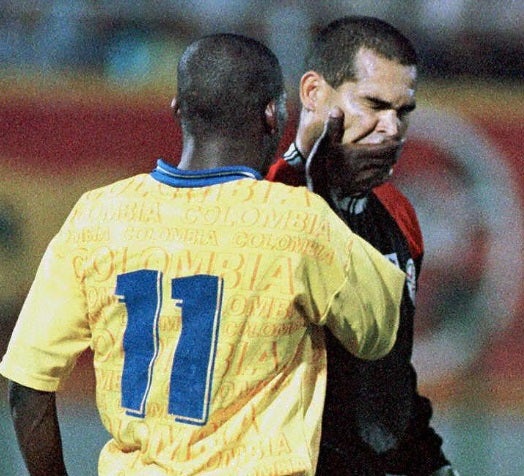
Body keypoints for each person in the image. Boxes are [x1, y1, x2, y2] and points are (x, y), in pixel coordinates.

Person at [0, 33, 406, 476]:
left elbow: (27, 386)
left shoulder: (97, 216)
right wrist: (334, 190)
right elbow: (377, 332)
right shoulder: (301, 222)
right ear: (273, 115)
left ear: (178, 109)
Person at [266, 16, 460, 476]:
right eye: (374, 104)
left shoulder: (398, 213)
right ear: (314, 93)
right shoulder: (264, 204)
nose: (391, 128)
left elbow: (391, 375)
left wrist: (431, 464)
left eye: (403, 111)